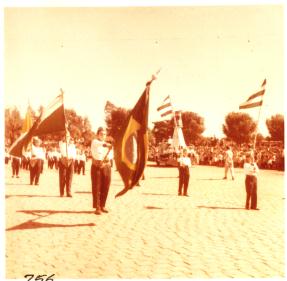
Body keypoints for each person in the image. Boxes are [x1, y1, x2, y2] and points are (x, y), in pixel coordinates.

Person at [90, 127, 112, 215]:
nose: (103, 136)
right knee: (96, 187)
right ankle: (97, 207)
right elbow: (102, 144)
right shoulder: (95, 142)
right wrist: (108, 145)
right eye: (101, 134)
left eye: (104, 134)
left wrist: (108, 158)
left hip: (106, 166)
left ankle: (103, 205)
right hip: (97, 166)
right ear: (97, 135)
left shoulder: (108, 145)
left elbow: (111, 156)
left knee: (106, 186)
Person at [58, 132, 77, 197]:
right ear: (63, 137)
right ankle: (62, 192)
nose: (67, 138)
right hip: (63, 160)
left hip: (71, 161)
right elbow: (62, 147)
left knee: (70, 177)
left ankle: (68, 191)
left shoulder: (72, 145)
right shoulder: (61, 143)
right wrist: (64, 141)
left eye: (68, 137)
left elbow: (74, 153)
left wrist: (73, 159)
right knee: (62, 176)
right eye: (66, 136)